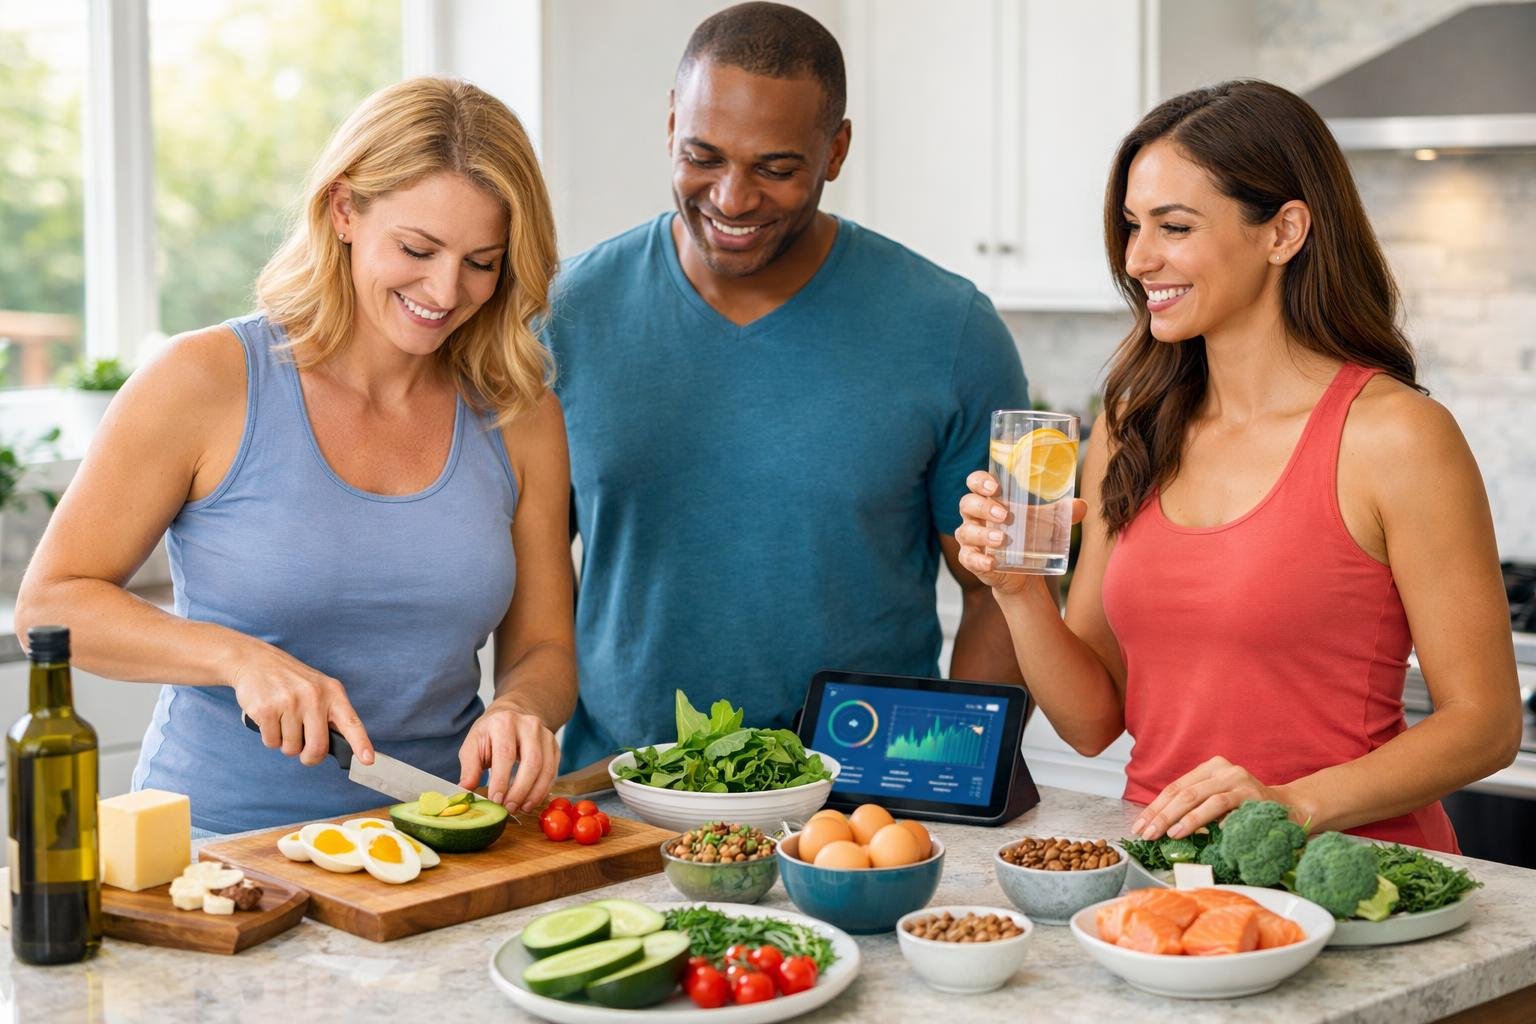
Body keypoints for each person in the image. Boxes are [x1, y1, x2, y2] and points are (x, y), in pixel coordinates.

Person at [956, 80, 1522, 852]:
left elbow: (1485, 726)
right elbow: (1092, 724)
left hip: (1363, 885)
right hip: (1168, 879)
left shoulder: (1395, 436)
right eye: (1132, 226)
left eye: (1174, 226)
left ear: (1284, 231)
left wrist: (1285, 805)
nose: (1138, 258)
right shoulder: (1132, 428)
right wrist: (1019, 594)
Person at [15, 77, 576, 834]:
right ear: (344, 209)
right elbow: (50, 605)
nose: (446, 290)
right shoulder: (205, 380)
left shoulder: (519, 414)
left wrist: (520, 709)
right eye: (417, 248)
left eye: (482, 261)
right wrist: (235, 658)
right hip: (218, 849)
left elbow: (544, 648)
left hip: (439, 846)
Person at [545, 2, 1030, 770]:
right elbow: (524, 590)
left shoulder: (952, 331)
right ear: (671, 123)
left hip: (860, 808)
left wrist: (948, 777)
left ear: (835, 150)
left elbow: (998, 593)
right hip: (620, 793)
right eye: (704, 156)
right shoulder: (564, 316)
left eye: (775, 168)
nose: (733, 199)